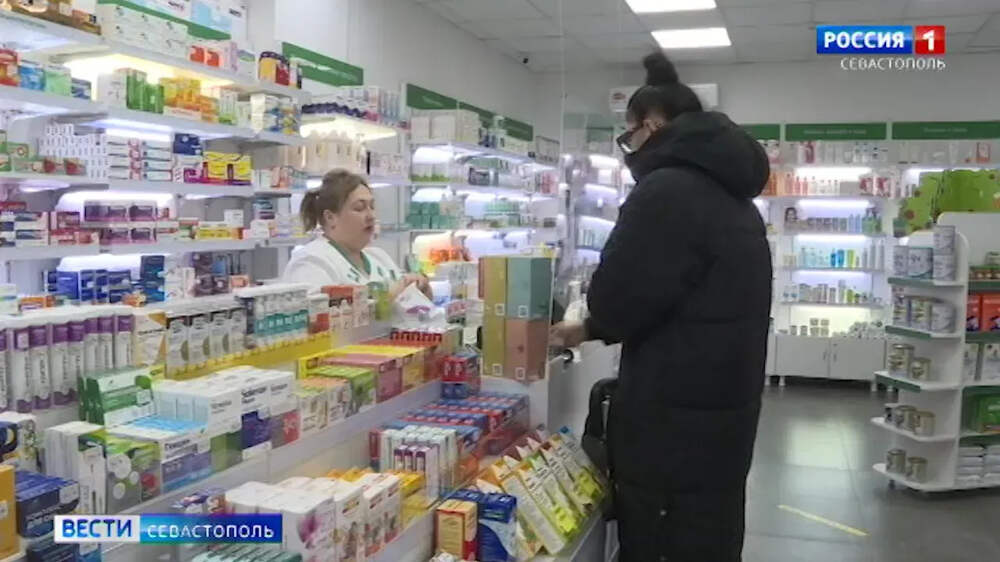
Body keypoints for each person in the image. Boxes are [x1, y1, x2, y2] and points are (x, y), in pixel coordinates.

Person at [552, 52, 772, 561]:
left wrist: (589, 322)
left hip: (672, 422)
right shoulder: (731, 193)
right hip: (720, 414)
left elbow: (618, 295)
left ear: (651, 126)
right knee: (710, 532)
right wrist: (594, 326)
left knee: (663, 539)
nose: (629, 149)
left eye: (628, 136)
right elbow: (665, 291)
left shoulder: (667, 191)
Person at [284, 169, 430, 298]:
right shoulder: (311, 262)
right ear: (330, 217)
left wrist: (421, 289)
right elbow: (320, 315)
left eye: (372, 207)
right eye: (359, 208)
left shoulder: (378, 257)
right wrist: (391, 296)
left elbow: (413, 310)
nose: (371, 216)